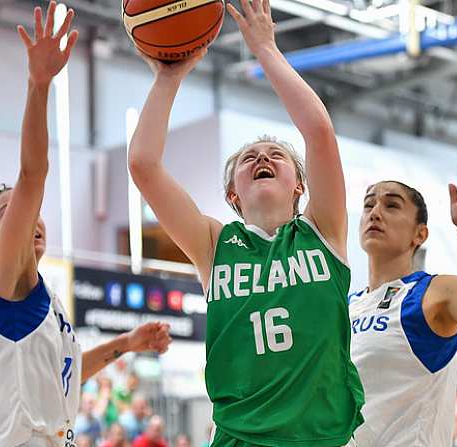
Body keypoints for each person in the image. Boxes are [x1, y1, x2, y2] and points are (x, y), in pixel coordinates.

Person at [128, 0, 364, 444]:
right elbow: (143, 164)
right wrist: (169, 76)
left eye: (277, 155)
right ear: (233, 196)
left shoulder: (323, 232)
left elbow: (319, 132)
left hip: (321, 438)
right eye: (248, 159)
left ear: (300, 186)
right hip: (240, 437)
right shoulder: (215, 244)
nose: (262, 157)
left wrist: (265, 49)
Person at [0, 4, 170, 446]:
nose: (29, 216)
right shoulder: (0, 283)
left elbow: (66, 376)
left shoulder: (40, 298)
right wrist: (39, 85)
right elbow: (33, 174)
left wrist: (126, 344)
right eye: (11, 211)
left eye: (31, 210)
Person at [349, 153, 457, 446]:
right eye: (369, 204)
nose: (375, 212)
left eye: (391, 205)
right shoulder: (344, 305)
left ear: (419, 234)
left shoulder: (437, 292)